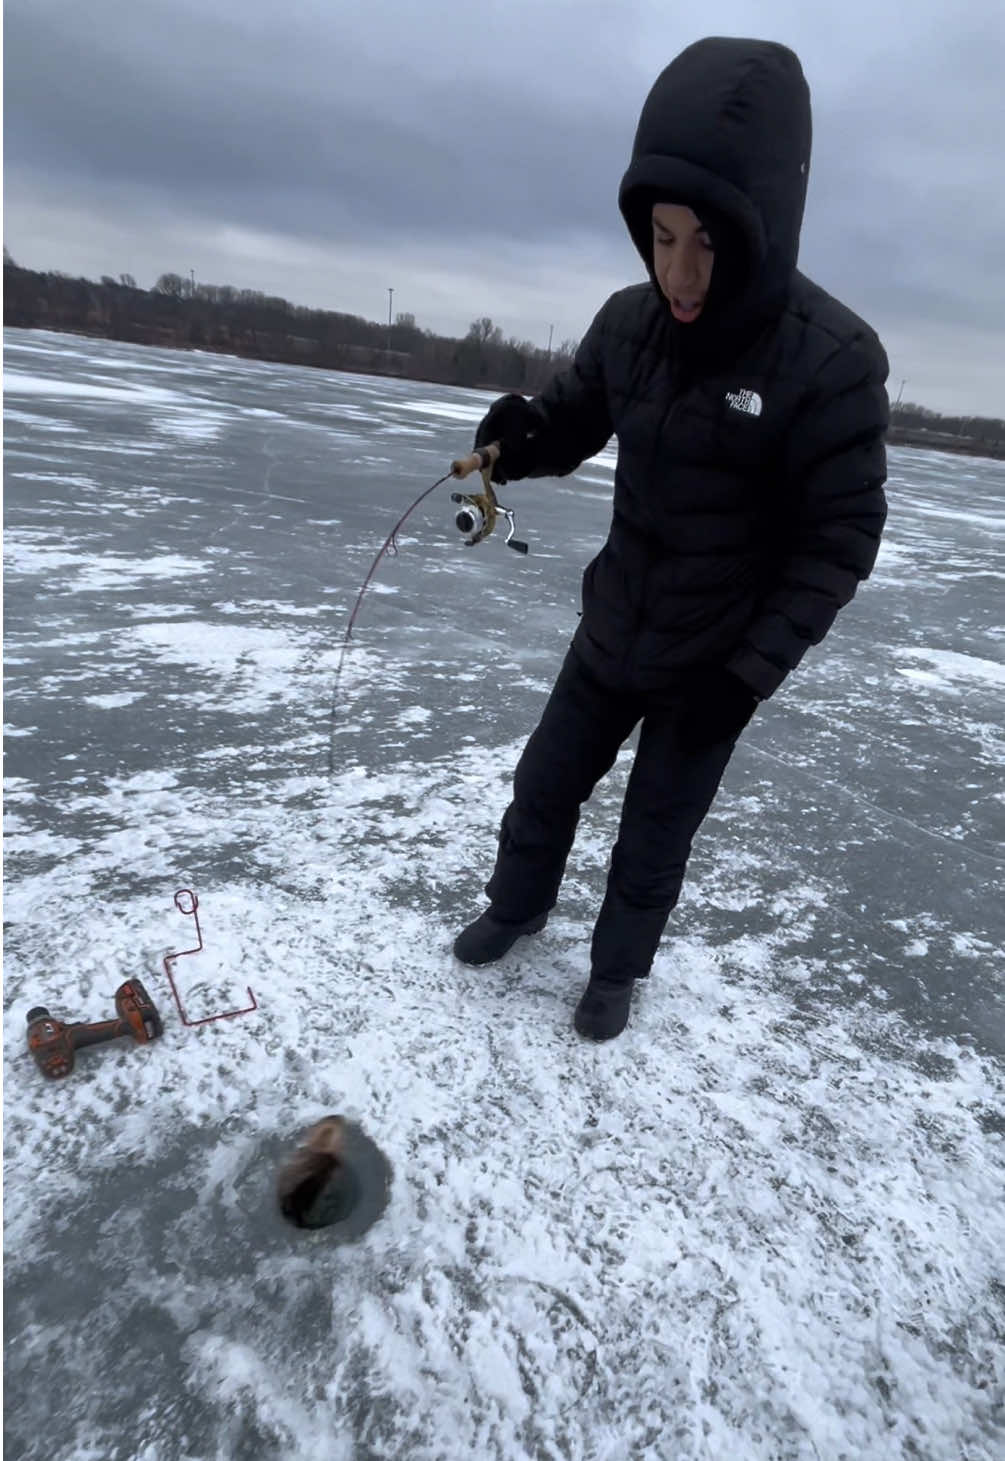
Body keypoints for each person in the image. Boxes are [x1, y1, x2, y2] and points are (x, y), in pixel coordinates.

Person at [453, 36, 889, 1041]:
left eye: (706, 243)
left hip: (712, 663)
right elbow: (573, 419)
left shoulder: (832, 360)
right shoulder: (628, 324)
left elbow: (841, 537)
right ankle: (516, 908)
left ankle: (615, 971)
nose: (679, 271)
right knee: (544, 784)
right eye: (660, 237)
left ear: (761, 228)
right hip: (614, 625)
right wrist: (518, 442)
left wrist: (747, 673)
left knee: (654, 832)